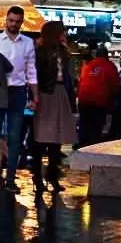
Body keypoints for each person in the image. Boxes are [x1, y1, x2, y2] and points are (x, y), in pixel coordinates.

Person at [0, 6, 39, 193]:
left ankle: (10, 179)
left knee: (15, 138)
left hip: (17, 91)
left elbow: (31, 70)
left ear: (22, 22)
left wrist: (35, 95)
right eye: (11, 20)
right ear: (6, 20)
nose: (14, 24)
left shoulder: (28, 43)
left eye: (17, 21)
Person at [29, 21, 76, 194]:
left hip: (59, 93)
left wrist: (71, 98)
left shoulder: (64, 51)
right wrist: (33, 95)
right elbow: (34, 73)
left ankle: (52, 175)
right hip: (44, 94)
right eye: (62, 31)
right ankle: (38, 177)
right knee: (40, 139)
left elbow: (68, 77)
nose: (65, 34)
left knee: (56, 139)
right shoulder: (39, 50)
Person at [77, 45, 120, 148]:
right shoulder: (110, 66)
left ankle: (81, 144)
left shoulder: (88, 65)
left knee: (84, 123)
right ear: (107, 56)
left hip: (83, 100)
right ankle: (93, 146)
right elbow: (115, 86)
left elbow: (81, 82)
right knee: (96, 126)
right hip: (98, 102)